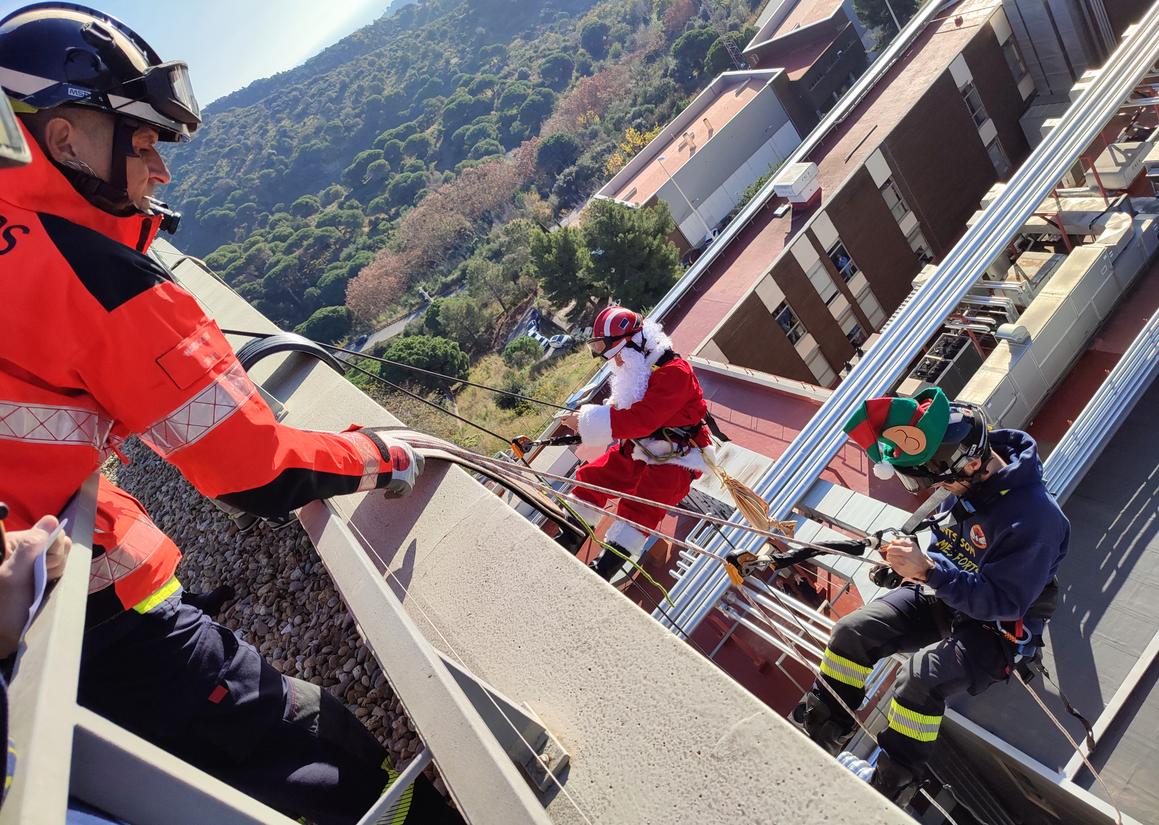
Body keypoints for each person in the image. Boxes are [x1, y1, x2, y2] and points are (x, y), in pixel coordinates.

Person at [0, 5, 456, 823]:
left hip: (48, 623)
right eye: (139, 141)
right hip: (94, 629)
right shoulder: (98, 279)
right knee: (328, 759)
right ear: (63, 140)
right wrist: (377, 453)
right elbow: (250, 467)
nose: (158, 170)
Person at [793, 388, 1069, 803]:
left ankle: (890, 785)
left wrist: (927, 571)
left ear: (973, 464)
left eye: (937, 481)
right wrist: (908, 565)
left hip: (997, 629)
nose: (930, 490)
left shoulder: (1035, 519)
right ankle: (821, 729)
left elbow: (1001, 601)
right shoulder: (970, 487)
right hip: (947, 593)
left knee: (921, 677)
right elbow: (947, 548)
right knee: (854, 631)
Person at [560, 305, 713, 579]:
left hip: (677, 457)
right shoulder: (640, 372)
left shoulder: (676, 372)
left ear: (635, 345)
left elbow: (642, 419)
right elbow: (627, 412)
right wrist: (585, 420)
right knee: (594, 477)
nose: (616, 364)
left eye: (618, 357)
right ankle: (567, 535)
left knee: (642, 507)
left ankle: (603, 570)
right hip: (640, 446)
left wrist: (586, 421)